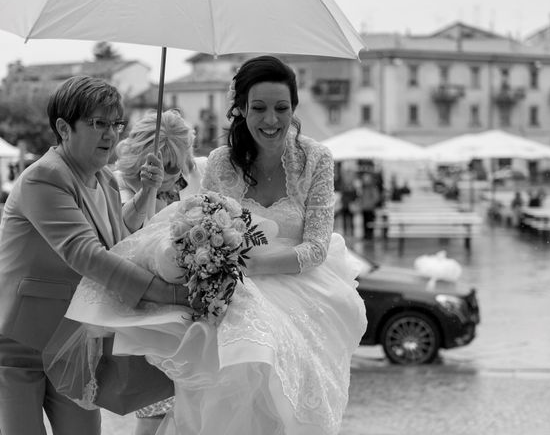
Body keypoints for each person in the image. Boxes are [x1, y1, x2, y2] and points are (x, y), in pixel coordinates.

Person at [64, 56, 367, 435]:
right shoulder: (222, 162)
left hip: (299, 282)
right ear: (240, 109)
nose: (271, 120)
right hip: (235, 287)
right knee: (224, 378)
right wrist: (208, 257)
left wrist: (248, 266)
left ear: (294, 108)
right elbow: (204, 219)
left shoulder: (317, 158)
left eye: (281, 108)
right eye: (258, 108)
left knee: (271, 364)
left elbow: (317, 248)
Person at [0, 76, 190, 435]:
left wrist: (148, 191)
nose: (110, 135)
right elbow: (85, 252)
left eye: (115, 124)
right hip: (19, 345)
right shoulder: (43, 177)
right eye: (97, 124)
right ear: (63, 127)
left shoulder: (106, 180)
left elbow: (121, 246)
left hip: (74, 343)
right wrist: (166, 294)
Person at [112, 109, 204, 435]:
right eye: (161, 164)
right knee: (153, 409)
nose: (167, 174)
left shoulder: (198, 173)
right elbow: (128, 228)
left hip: (196, 306)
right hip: (151, 308)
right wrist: (148, 190)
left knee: (196, 407)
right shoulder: (120, 182)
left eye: (174, 165)